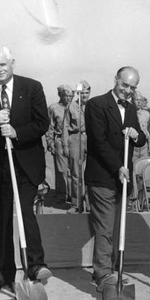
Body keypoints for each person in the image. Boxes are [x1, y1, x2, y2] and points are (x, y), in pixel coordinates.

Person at [0, 45, 52, 293]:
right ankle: (4, 276)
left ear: (12, 63)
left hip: (26, 163)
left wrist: (17, 133)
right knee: (2, 218)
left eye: (3, 64)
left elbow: (42, 123)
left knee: (25, 212)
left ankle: (36, 266)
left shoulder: (32, 87)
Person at [84, 66, 146, 292]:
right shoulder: (96, 105)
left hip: (123, 179)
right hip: (101, 176)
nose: (127, 91)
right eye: (124, 85)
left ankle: (111, 268)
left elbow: (139, 140)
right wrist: (118, 166)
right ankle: (103, 274)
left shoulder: (130, 109)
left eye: (132, 88)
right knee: (105, 227)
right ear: (115, 80)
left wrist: (136, 135)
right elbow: (98, 143)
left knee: (117, 226)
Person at [63, 80, 90, 213]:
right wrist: (65, 145)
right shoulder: (72, 106)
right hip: (75, 138)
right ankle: (75, 203)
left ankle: (90, 203)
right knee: (75, 173)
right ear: (78, 93)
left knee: (91, 172)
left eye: (86, 92)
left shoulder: (93, 105)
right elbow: (65, 127)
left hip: (90, 139)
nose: (84, 95)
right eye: (82, 93)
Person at [45, 84, 74, 202]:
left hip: (73, 141)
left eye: (70, 96)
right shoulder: (53, 108)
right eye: (65, 96)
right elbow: (49, 127)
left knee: (74, 170)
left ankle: (73, 195)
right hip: (59, 140)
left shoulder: (75, 107)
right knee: (61, 170)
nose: (68, 98)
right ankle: (62, 194)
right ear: (60, 95)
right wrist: (50, 143)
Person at [132, 91, 150, 161]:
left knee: (143, 166)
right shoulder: (129, 114)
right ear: (132, 101)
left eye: (140, 100)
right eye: (136, 100)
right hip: (133, 147)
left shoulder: (147, 114)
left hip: (144, 147)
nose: (138, 102)